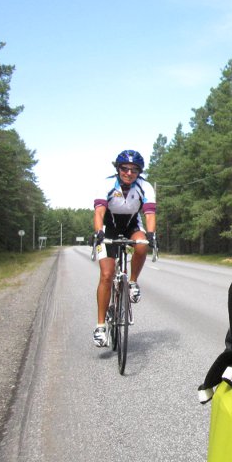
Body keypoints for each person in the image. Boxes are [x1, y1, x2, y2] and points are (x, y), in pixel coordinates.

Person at [92, 149, 157, 347]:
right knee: (106, 275)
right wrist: (99, 232)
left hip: (131, 226)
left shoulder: (144, 186)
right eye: (125, 169)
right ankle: (100, 327)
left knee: (142, 245)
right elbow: (99, 212)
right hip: (109, 228)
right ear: (118, 169)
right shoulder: (106, 184)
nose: (129, 173)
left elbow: (149, 214)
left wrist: (151, 235)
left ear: (139, 172)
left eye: (134, 170)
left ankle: (133, 282)